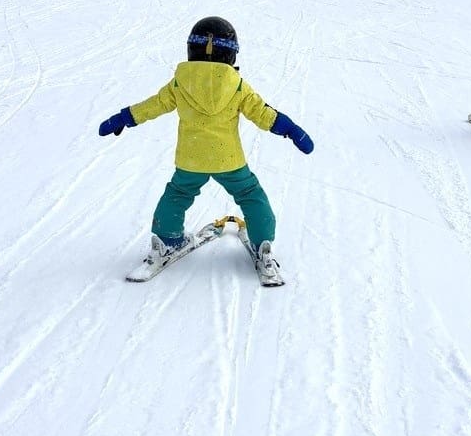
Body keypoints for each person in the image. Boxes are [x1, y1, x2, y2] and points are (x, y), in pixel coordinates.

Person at [98, 16, 314, 273]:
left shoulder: (180, 83)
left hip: (191, 158)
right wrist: (290, 128)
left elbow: (153, 105)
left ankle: (167, 240)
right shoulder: (237, 86)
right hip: (229, 160)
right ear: (231, 54)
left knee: (177, 194)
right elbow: (262, 112)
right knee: (250, 194)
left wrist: (124, 118)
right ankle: (262, 244)